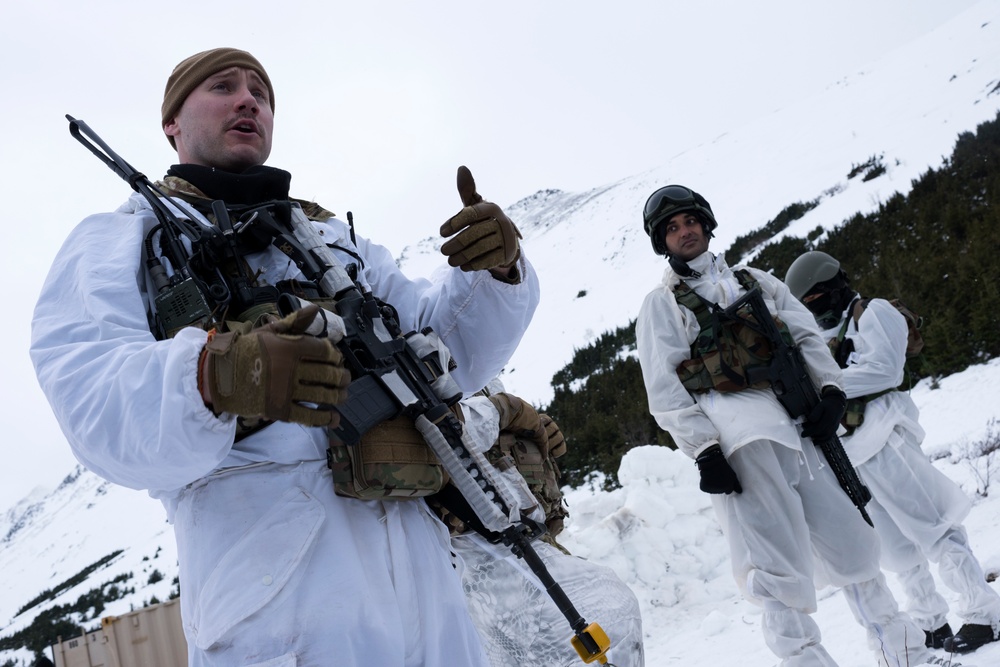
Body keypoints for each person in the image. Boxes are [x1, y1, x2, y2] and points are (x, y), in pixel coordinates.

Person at [31, 48, 540, 667]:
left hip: (425, 584)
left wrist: (498, 272)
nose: (248, 100)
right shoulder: (121, 240)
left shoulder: (332, 240)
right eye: (223, 87)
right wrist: (216, 376)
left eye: (261, 94)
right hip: (277, 600)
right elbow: (92, 396)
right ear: (172, 123)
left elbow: (447, 354)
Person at [634, 184, 935, 667]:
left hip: (798, 429)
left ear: (706, 224)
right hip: (742, 442)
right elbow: (663, 385)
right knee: (777, 575)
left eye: (689, 221)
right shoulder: (662, 304)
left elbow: (806, 334)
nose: (684, 232)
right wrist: (705, 449)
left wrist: (831, 391)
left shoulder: (756, 280)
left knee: (854, 547)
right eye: (672, 228)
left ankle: (907, 657)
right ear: (662, 242)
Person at [785, 250, 1000, 655]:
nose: (814, 310)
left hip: (888, 439)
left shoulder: (875, 313)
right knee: (898, 550)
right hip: (854, 455)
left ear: (833, 286)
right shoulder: (830, 335)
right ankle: (930, 623)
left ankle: (984, 614)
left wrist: (826, 387)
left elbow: (886, 370)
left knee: (934, 528)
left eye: (816, 300)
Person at [431, 383, 645, 666]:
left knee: (611, 615)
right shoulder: (432, 381)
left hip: (528, 546)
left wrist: (532, 433)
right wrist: (507, 411)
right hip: (476, 561)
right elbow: (452, 431)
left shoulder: (480, 381)